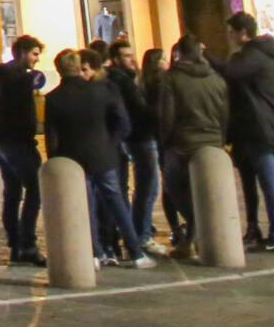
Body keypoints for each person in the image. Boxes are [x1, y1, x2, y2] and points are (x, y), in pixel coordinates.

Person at [46, 49, 151, 267]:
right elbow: (123, 123)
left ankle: (95, 253)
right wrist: (110, 144)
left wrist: (56, 162)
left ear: (58, 70)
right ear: (78, 67)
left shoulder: (54, 98)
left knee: (86, 207)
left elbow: (52, 137)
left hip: (71, 159)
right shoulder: (102, 90)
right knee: (117, 203)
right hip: (103, 156)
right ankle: (135, 252)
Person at [222, 11, 274, 252]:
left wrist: (207, 56)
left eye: (231, 32)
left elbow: (231, 73)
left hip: (261, 128)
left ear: (242, 33)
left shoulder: (252, 56)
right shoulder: (270, 55)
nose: (229, 36)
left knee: (271, 182)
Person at [154, 36, 228, 261]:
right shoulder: (216, 78)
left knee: (176, 190)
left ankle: (196, 231)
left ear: (180, 54)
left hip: (182, 144)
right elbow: (224, 113)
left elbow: (167, 115)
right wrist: (221, 138)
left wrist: (164, 142)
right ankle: (198, 238)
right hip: (212, 141)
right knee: (207, 192)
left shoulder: (171, 79)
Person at [0, 34, 48, 265]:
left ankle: (15, 243)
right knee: (34, 189)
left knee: (12, 192)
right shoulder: (18, 76)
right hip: (17, 143)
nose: (36, 59)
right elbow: (21, 111)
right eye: (34, 54)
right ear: (22, 52)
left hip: (0, 141)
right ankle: (27, 244)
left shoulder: (6, 75)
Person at [111, 41, 167, 257]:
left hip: (138, 136)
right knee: (148, 187)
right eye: (126, 56)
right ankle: (140, 235)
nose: (132, 60)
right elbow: (140, 111)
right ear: (116, 59)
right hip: (140, 137)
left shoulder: (128, 80)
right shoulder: (123, 82)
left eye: (132, 55)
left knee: (147, 187)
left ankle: (138, 232)